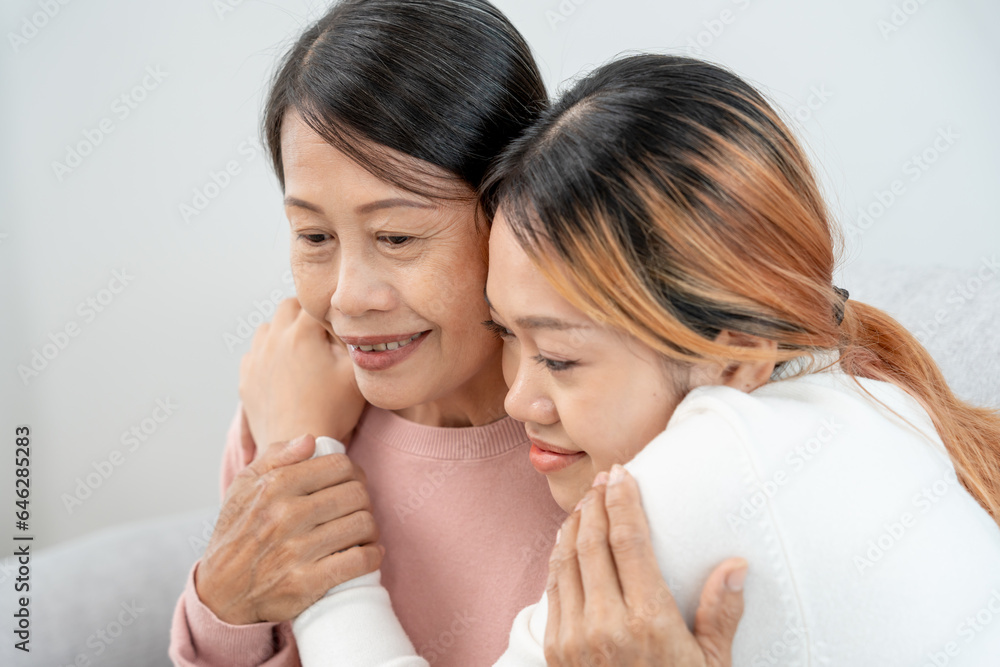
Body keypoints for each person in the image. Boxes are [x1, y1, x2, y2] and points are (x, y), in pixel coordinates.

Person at [290, 54, 1000, 666]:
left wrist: (303, 482)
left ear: (738, 354)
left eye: (560, 358)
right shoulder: (878, 400)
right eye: (505, 333)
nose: (517, 400)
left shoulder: (692, 482)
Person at [169, 3, 746, 666]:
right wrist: (222, 603)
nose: (348, 296)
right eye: (314, 236)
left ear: (512, 211)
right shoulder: (285, 400)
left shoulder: (612, 433)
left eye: (397, 237)